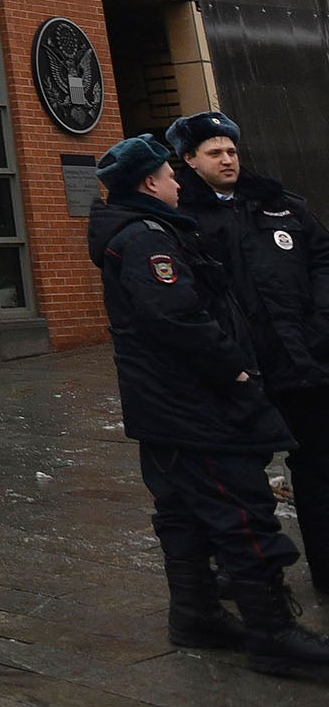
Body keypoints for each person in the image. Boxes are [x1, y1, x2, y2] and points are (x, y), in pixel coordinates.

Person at [88, 132, 329, 675]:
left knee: (182, 512)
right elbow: (177, 317)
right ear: (149, 182)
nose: (178, 182)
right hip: (195, 406)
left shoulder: (147, 230)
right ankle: (274, 632)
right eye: (171, 175)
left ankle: (196, 613)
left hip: (165, 407)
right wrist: (237, 372)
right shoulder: (148, 238)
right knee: (243, 513)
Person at [170, 109, 329, 594]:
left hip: (304, 364)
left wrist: (321, 324)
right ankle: (250, 581)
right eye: (214, 152)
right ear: (189, 159)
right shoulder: (182, 217)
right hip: (240, 373)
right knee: (240, 481)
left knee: (320, 469)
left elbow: (323, 259)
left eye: (232, 150)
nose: (227, 159)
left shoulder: (280, 204)